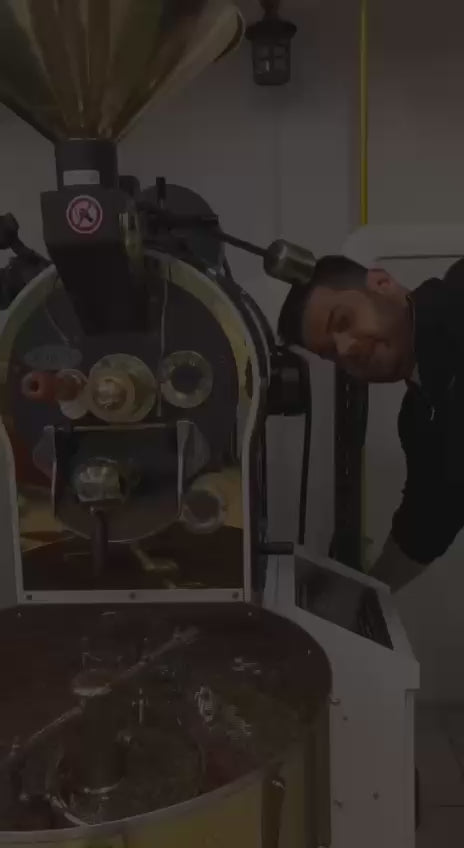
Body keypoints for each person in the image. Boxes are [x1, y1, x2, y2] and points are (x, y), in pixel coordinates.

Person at [278, 255, 464, 591]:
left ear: (382, 283)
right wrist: (362, 596)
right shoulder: (419, 420)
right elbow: (425, 527)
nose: (346, 349)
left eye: (343, 320)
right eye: (330, 353)